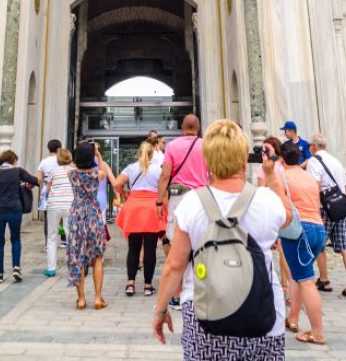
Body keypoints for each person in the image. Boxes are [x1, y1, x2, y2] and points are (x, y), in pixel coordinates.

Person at [151, 119, 294, 359]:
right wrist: (272, 176)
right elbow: (289, 216)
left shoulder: (192, 203)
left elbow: (174, 266)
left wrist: (160, 310)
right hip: (263, 319)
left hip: (205, 320)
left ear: (207, 158)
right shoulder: (266, 200)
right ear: (242, 157)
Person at [278, 141, 327, 345]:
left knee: (306, 279)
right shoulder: (309, 177)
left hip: (299, 230)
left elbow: (280, 205)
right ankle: (293, 318)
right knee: (298, 275)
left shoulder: (284, 177)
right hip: (318, 228)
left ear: (281, 159)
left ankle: (317, 332)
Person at [156, 114, 208, 308]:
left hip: (179, 198)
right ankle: (199, 287)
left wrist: (159, 201)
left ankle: (177, 293)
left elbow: (164, 176)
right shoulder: (206, 145)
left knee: (173, 240)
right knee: (200, 242)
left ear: (181, 127)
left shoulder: (172, 146)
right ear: (199, 127)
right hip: (202, 197)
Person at [306, 132, 346, 300]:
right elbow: (344, 187)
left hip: (324, 208)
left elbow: (314, 187)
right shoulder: (336, 161)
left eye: (309, 146)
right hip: (340, 208)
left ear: (314, 147)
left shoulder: (314, 162)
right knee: (345, 246)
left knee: (319, 244)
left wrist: (314, 211)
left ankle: (323, 280)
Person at [113, 140, 166, 297]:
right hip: (152, 209)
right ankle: (148, 286)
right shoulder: (158, 169)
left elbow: (116, 184)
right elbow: (164, 188)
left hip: (134, 208)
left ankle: (130, 283)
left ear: (139, 153)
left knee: (133, 248)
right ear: (152, 154)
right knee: (150, 250)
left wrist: (124, 194)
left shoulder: (131, 168)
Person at [68, 141, 109, 310]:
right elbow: (103, 170)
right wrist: (97, 154)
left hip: (77, 215)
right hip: (93, 215)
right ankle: (98, 298)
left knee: (78, 257)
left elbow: (72, 164)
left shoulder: (71, 174)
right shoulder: (96, 175)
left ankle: (81, 299)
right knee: (97, 257)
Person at [0, 150, 38, 283]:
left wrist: (20, 184)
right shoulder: (18, 171)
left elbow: (4, 187)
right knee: (15, 239)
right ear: (13, 160)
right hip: (14, 209)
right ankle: (16, 267)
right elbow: (35, 180)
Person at [255, 137, 292, 297]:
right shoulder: (281, 166)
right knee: (283, 249)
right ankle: (287, 286)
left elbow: (261, 189)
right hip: (281, 206)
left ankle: (284, 286)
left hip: (269, 209)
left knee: (268, 250)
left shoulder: (263, 168)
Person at [43, 147, 74, 277]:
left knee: (52, 236)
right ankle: (73, 267)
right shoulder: (74, 171)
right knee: (70, 236)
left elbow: (48, 189)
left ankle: (51, 268)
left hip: (54, 205)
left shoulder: (53, 171)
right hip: (70, 205)